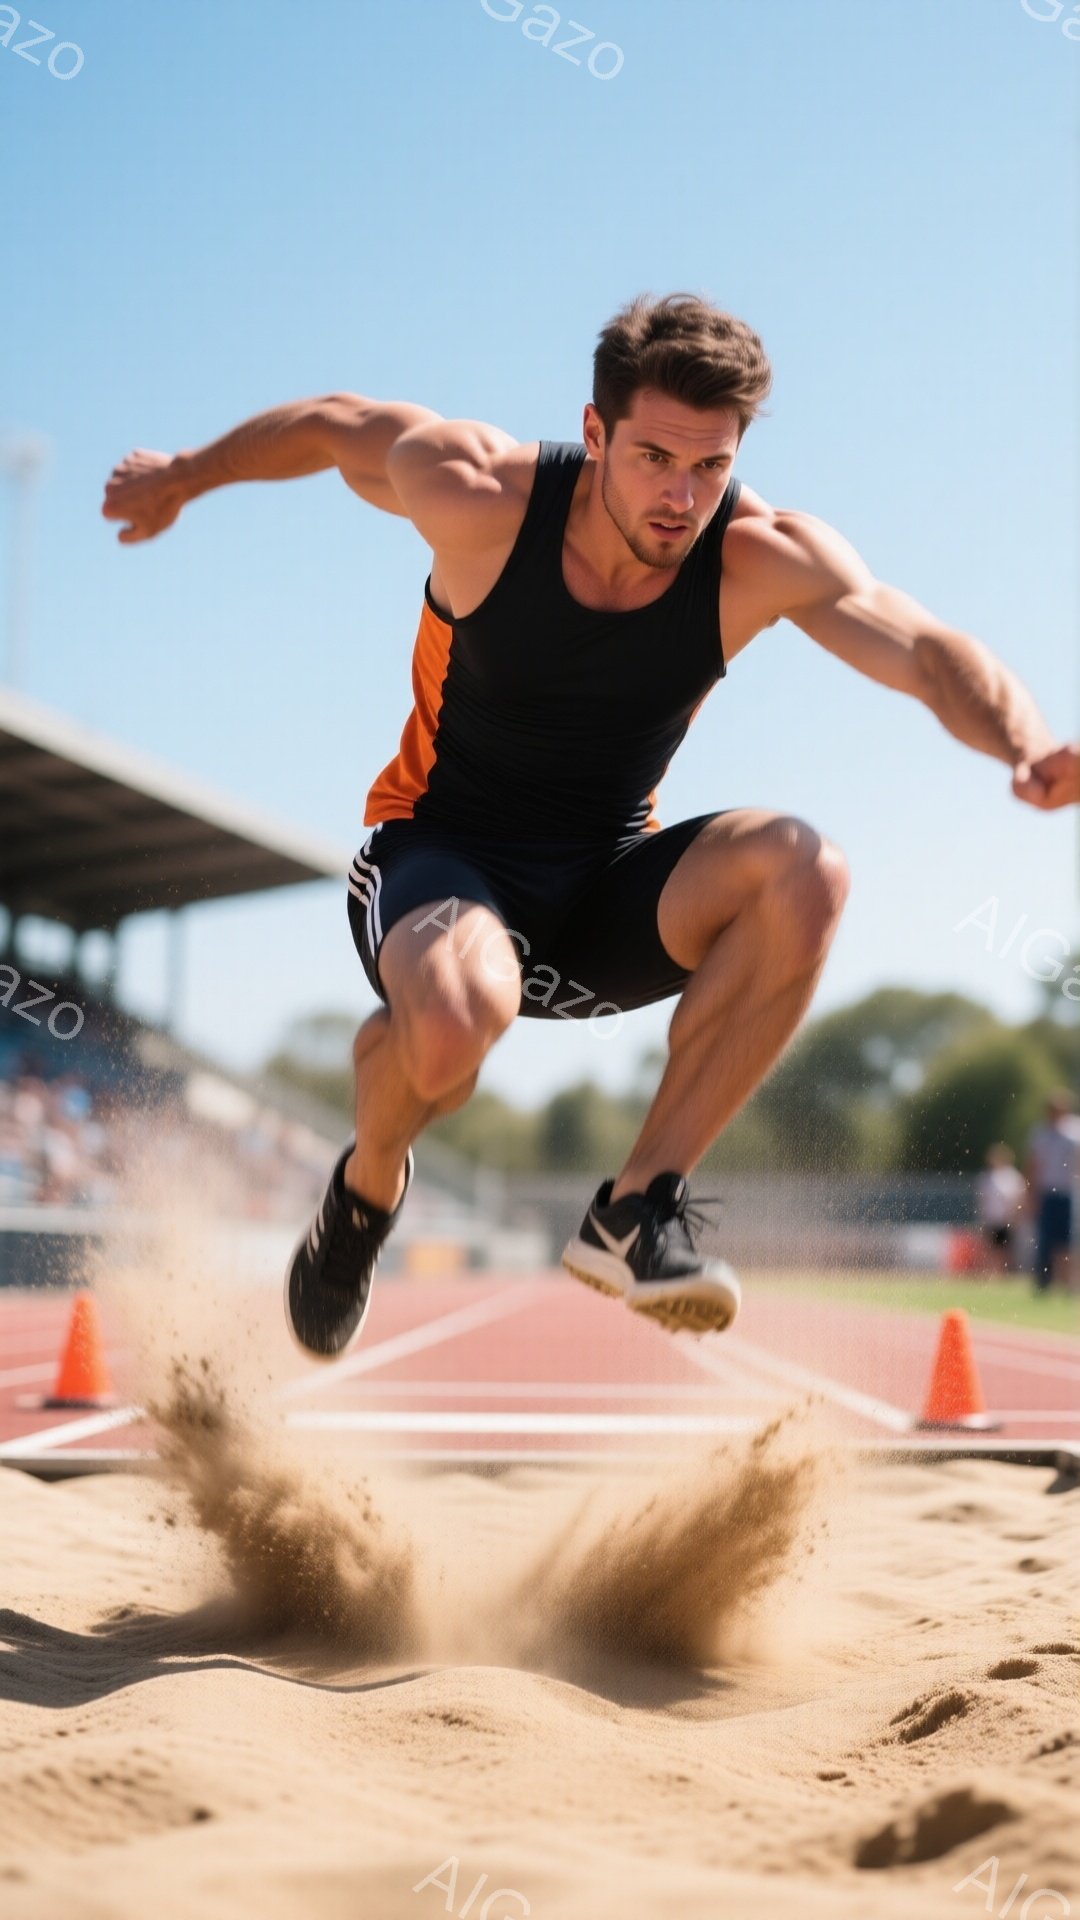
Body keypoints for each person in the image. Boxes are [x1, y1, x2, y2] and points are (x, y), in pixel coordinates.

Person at [101, 293, 1078, 1358]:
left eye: (709, 466)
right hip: (441, 855)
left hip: (606, 887)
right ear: (597, 432)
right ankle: (365, 1195)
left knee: (807, 870)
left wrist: (1024, 745)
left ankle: (636, 1210)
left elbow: (928, 648)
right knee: (451, 1028)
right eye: (656, 457)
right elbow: (339, 424)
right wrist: (185, 475)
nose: (680, 495)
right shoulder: (481, 493)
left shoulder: (759, 552)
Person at [1025, 1091, 1080, 1294]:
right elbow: (1033, 1165)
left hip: (1070, 1193)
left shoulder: (1075, 1131)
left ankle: (1070, 1283)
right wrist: (1030, 1194)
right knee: (1046, 1239)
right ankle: (1044, 1282)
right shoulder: (1040, 1133)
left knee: (1069, 1240)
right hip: (1047, 1192)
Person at [975, 1142, 1026, 1275]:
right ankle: (992, 1274)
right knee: (991, 1249)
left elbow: (1018, 1198)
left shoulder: (1012, 1177)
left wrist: (1015, 1215)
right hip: (991, 1219)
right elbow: (983, 1199)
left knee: (1005, 1250)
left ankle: (1004, 1274)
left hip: (1007, 1220)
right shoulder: (986, 1177)